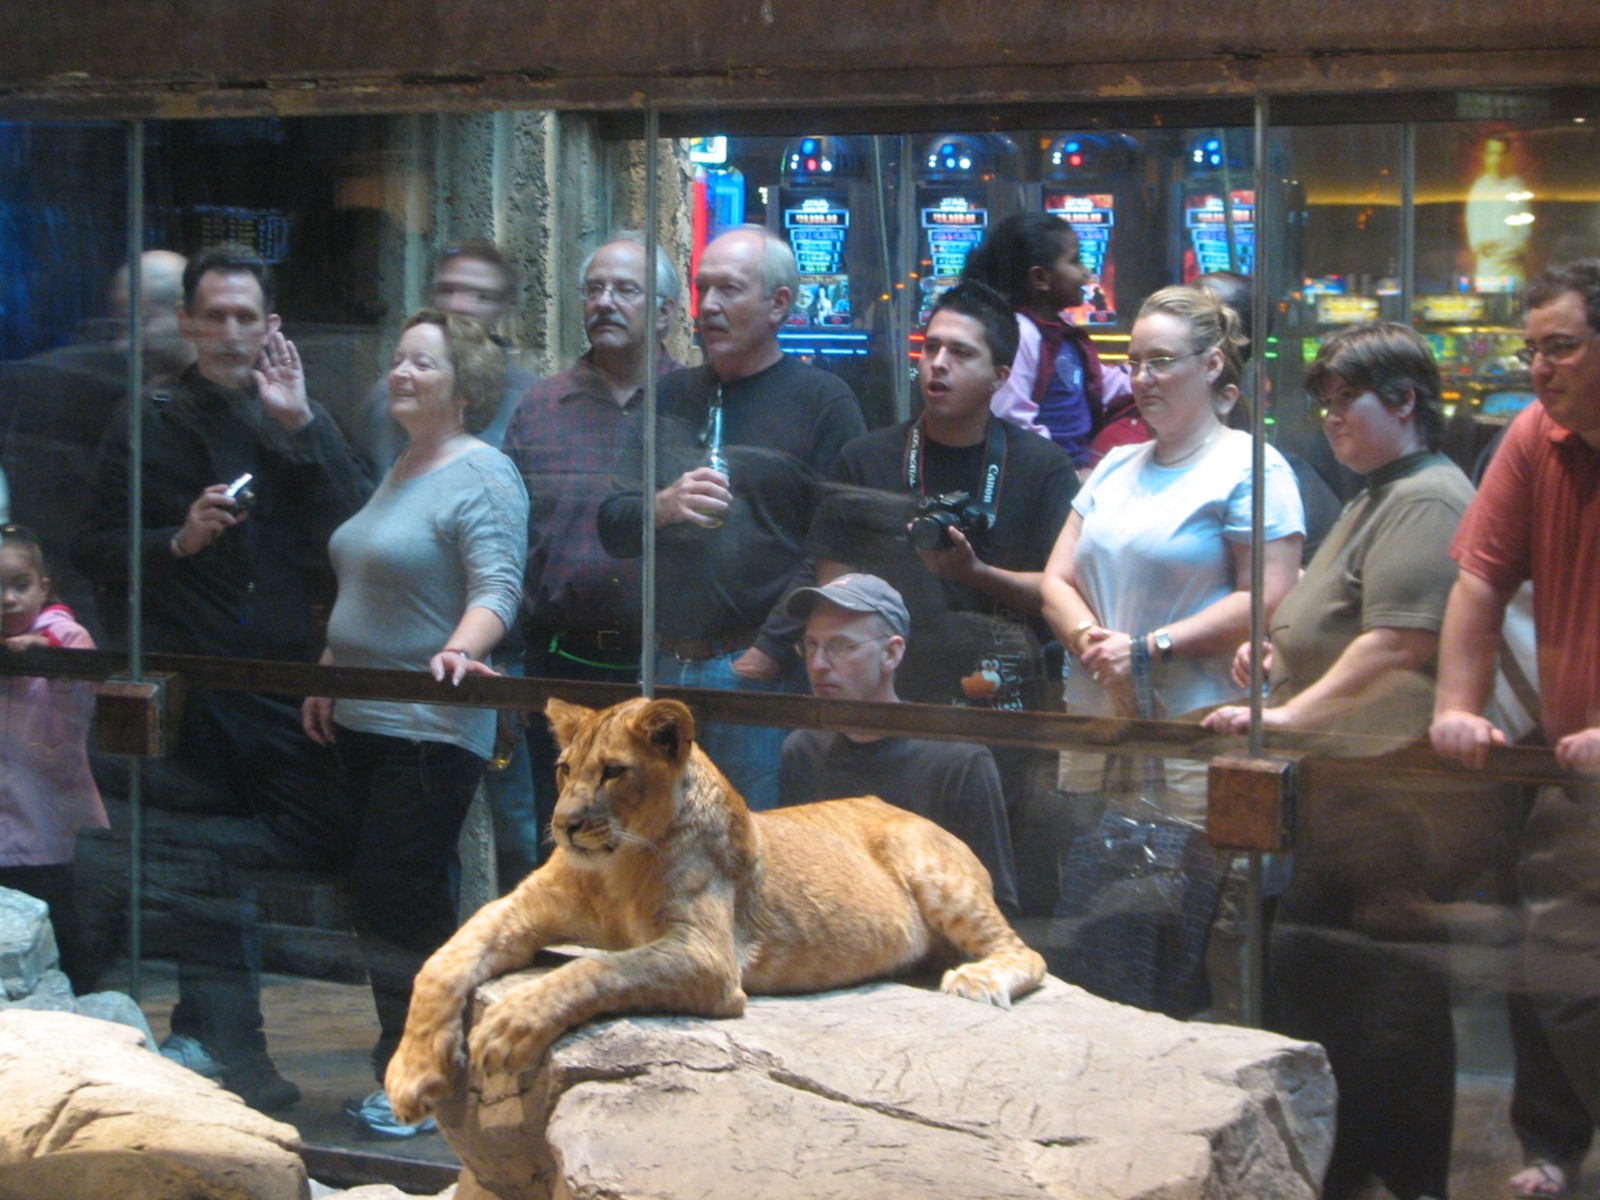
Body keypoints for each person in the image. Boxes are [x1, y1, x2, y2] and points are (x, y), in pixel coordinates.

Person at [72, 243, 372, 1111]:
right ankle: (234, 1055)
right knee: (202, 866)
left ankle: (210, 1035)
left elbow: (358, 531)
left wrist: (302, 426)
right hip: (189, 688)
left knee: (273, 852)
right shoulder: (149, 415)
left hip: (287, 686)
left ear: (270, 324)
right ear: (190, 323)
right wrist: (177, 540)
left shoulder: (300, 413)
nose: (234, 332)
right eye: (218, 316)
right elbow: (92, 547)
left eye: (250, 317)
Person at [1203, 322, 1479, 1200]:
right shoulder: (1373, 493)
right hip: (1343, 803)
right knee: (1333, 1007)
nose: (1329, 419)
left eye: (1344, 401)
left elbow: (1397, 644)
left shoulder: (1427, 495)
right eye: (1321, 404)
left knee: (1389, 1022)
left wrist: (1283, 717)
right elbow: (1337, 630)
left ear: (1404, 401)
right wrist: (1278, 663)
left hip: (1394, 808)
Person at [1040, 283, 1304, 1018]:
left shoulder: (1253, 468)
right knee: (1105, 937)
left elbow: (1270, 596)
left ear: (1213, 364)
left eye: (1160, 363)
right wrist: (1098, 647)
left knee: (1212, 940)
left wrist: (1149, 649)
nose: (1141, 380)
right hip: (1105, 736)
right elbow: (1057, 579)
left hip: (1199, 744)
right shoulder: (1119, 466)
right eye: (1134, 363)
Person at [303, 308, 527, 1138]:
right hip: (363, 714)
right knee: (384, 899)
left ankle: (431, 1078)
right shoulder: (402, 466)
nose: (401, 373)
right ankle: (415, 1070)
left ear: (463, 387)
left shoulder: (483, 473)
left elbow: (495, 590)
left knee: (396, 895)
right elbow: (374, 587)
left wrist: (460, 653)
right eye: (398, 360)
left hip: (428, 721)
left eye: (422, 365)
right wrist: (332, 668)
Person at [1430, 260, 1600, 1200]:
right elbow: (1481, 582)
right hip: (1572, 758)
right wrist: (1457, 705)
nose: (1539, 368)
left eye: (1561, 346)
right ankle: (1550, 1147)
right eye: (1531, 349)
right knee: (1549, 965)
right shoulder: (1535, 437)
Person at [597, 225, 865, 810]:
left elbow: (834, 549)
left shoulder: (822, 401)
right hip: (662, 665)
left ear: (779, 305)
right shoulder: (669, 396)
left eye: (729, 290)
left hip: (754, 670)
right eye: (703, 289)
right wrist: (662, 507)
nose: (709, 306)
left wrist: (765, 652)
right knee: (658, 849)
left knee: (752, 847)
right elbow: (612, 523)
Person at [501, 233, 682, 882]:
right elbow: (511, 538)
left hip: (662, 664)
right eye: (595, 289)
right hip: (559, 661)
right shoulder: (542, 406)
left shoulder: (690, 403)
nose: (605, 302)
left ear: (664, 311)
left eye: (625, 290)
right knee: (562, 842)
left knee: (657, 843)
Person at [779, 572, 1019, 916]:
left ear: (891, 654)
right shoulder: (803, 749)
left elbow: (998, 907)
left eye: (840, 646)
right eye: (811, 645)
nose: (817, 664)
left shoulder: (958, 762)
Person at [0, 524, 107, 994]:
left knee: (62, 939)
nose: (7, 599)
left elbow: (82, 698)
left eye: (19, 585)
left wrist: (48, 657)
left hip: (45, 826)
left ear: (44, 587)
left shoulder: (66, 635)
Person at [961, 212, 1129, 473]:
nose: (1086, 272)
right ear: (1040, 278)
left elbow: (1098, 385)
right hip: (1043, 478)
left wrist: (1151, 371)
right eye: (1075, 261)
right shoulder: (1021, 332)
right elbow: (1011, 422)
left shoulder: (1061, 334)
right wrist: (1062, 474)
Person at [352, 239, 539, 471]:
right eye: (447, 290)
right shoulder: (387, 397)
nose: (459, 305)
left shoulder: (530, 401)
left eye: (482, 296)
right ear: (431, 297)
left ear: (504, 308)